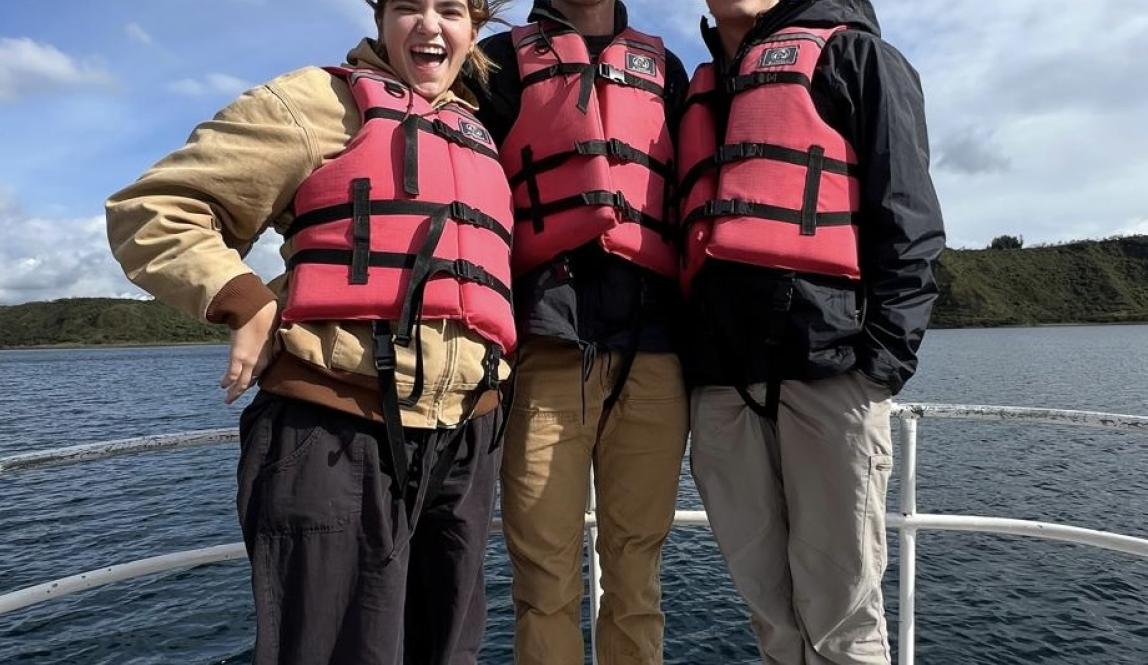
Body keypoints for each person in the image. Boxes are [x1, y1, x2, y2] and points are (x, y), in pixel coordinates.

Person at [106, 1, 513, 663]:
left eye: (451, 10)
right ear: (381, 19)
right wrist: (246, 302)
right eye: (409, 5)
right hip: (336, 432)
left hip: (464, 443)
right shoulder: (315, 102)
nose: (431, 25)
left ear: (475, 28)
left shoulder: (478, 132)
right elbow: (152, 211)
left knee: (448, 651)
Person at [677, 0, 946, 663]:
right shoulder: (697, 89)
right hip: (723, 388)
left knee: (842, 621)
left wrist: (877, 367)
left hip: (830, 374)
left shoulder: (856, 57)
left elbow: (908, 218)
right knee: (770, 614)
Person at [467, 1, 689, 663]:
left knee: (637, 577)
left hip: (652, 352)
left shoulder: (667, 70)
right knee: (543, 581)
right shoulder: (497, 64)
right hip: (545, 345)